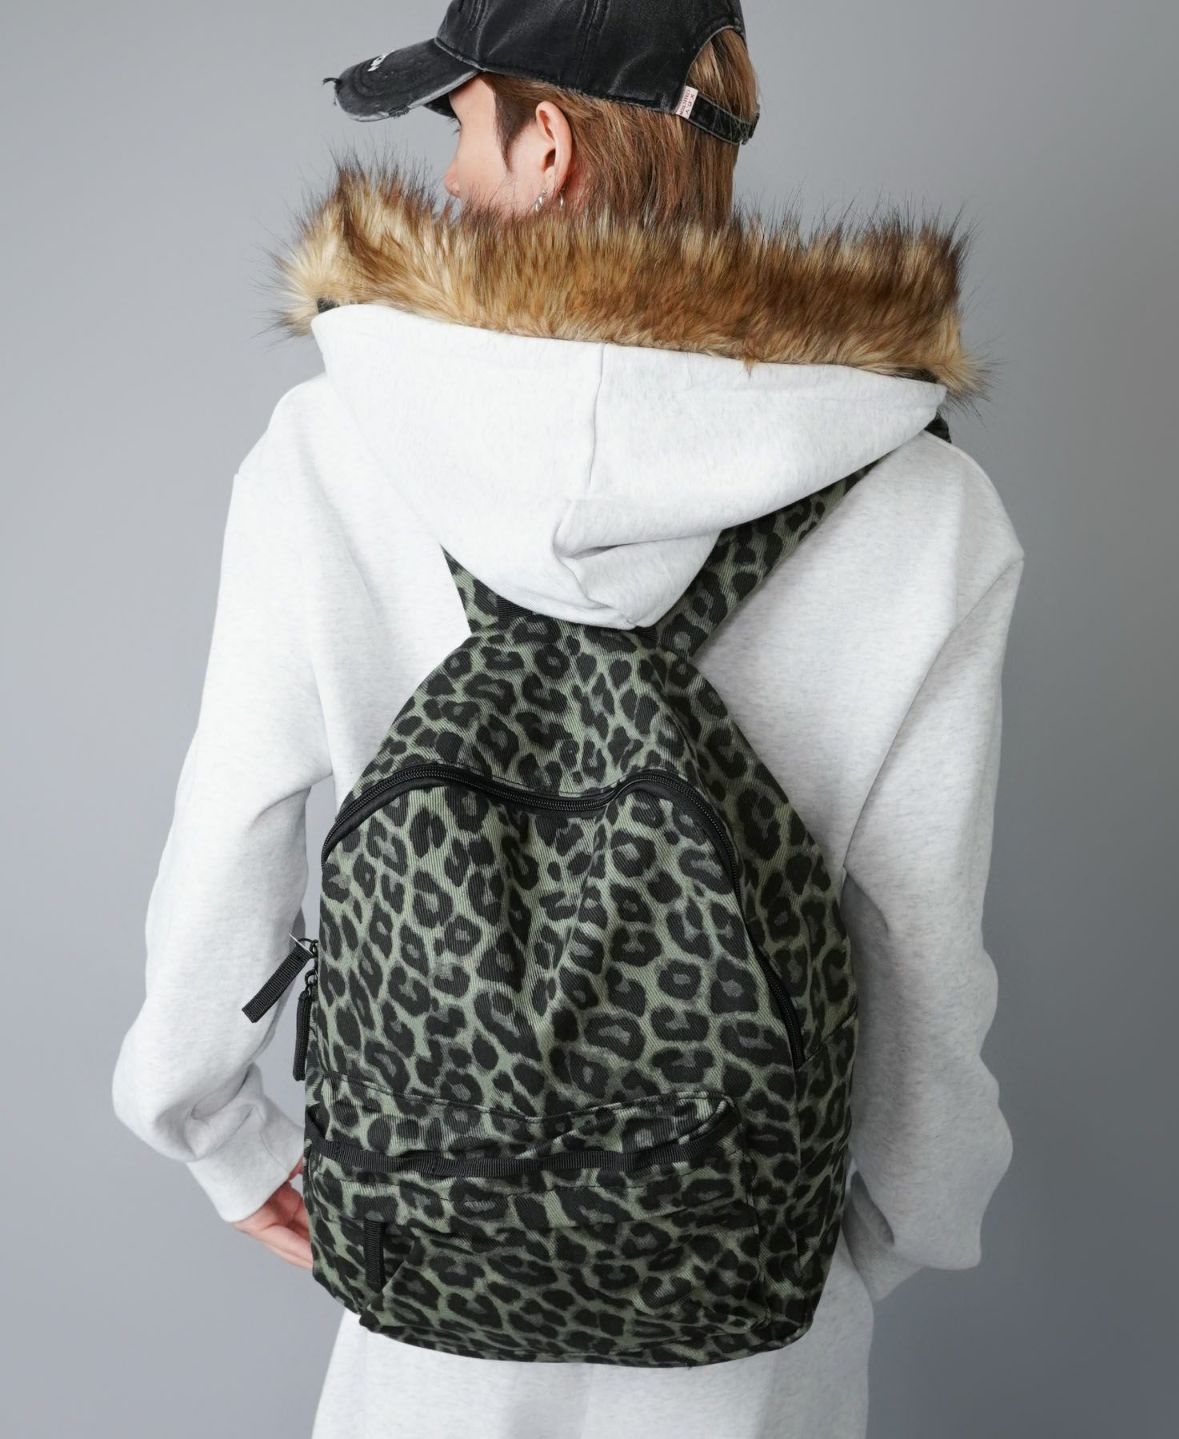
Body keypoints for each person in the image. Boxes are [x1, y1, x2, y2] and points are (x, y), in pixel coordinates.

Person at [111, 3, 1024, 1436]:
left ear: (548, 146)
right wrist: (903, 1223)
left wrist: (213, 1132)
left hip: (425, 1279)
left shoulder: (332, 447)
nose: (451, 177)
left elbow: (230, 838)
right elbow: (923, 942)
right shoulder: (924, 503)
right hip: (745, 1307)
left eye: (465, 127)